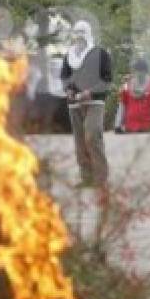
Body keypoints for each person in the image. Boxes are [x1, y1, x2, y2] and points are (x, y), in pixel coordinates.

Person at [60, 20, 113, 188]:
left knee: (92, 135)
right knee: (80, 141)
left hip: (94, 101)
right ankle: (87, 178)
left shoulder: (100, 53)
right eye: (76, 35)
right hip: (74, 104)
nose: (79, 39)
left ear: (88, 35)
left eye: (82, 35)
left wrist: (90, 92)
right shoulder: (69, 55)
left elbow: (107, 78)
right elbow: (65, 77)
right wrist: (68, 89)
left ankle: (100, 178)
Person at [115, 58, 150, 134]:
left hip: (148, 129)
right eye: (136, 70)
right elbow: (122, 106)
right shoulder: (126, 86)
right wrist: (117, 125)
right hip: (130, 129)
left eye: (140, 70)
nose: (138, 73)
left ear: (145, 71)